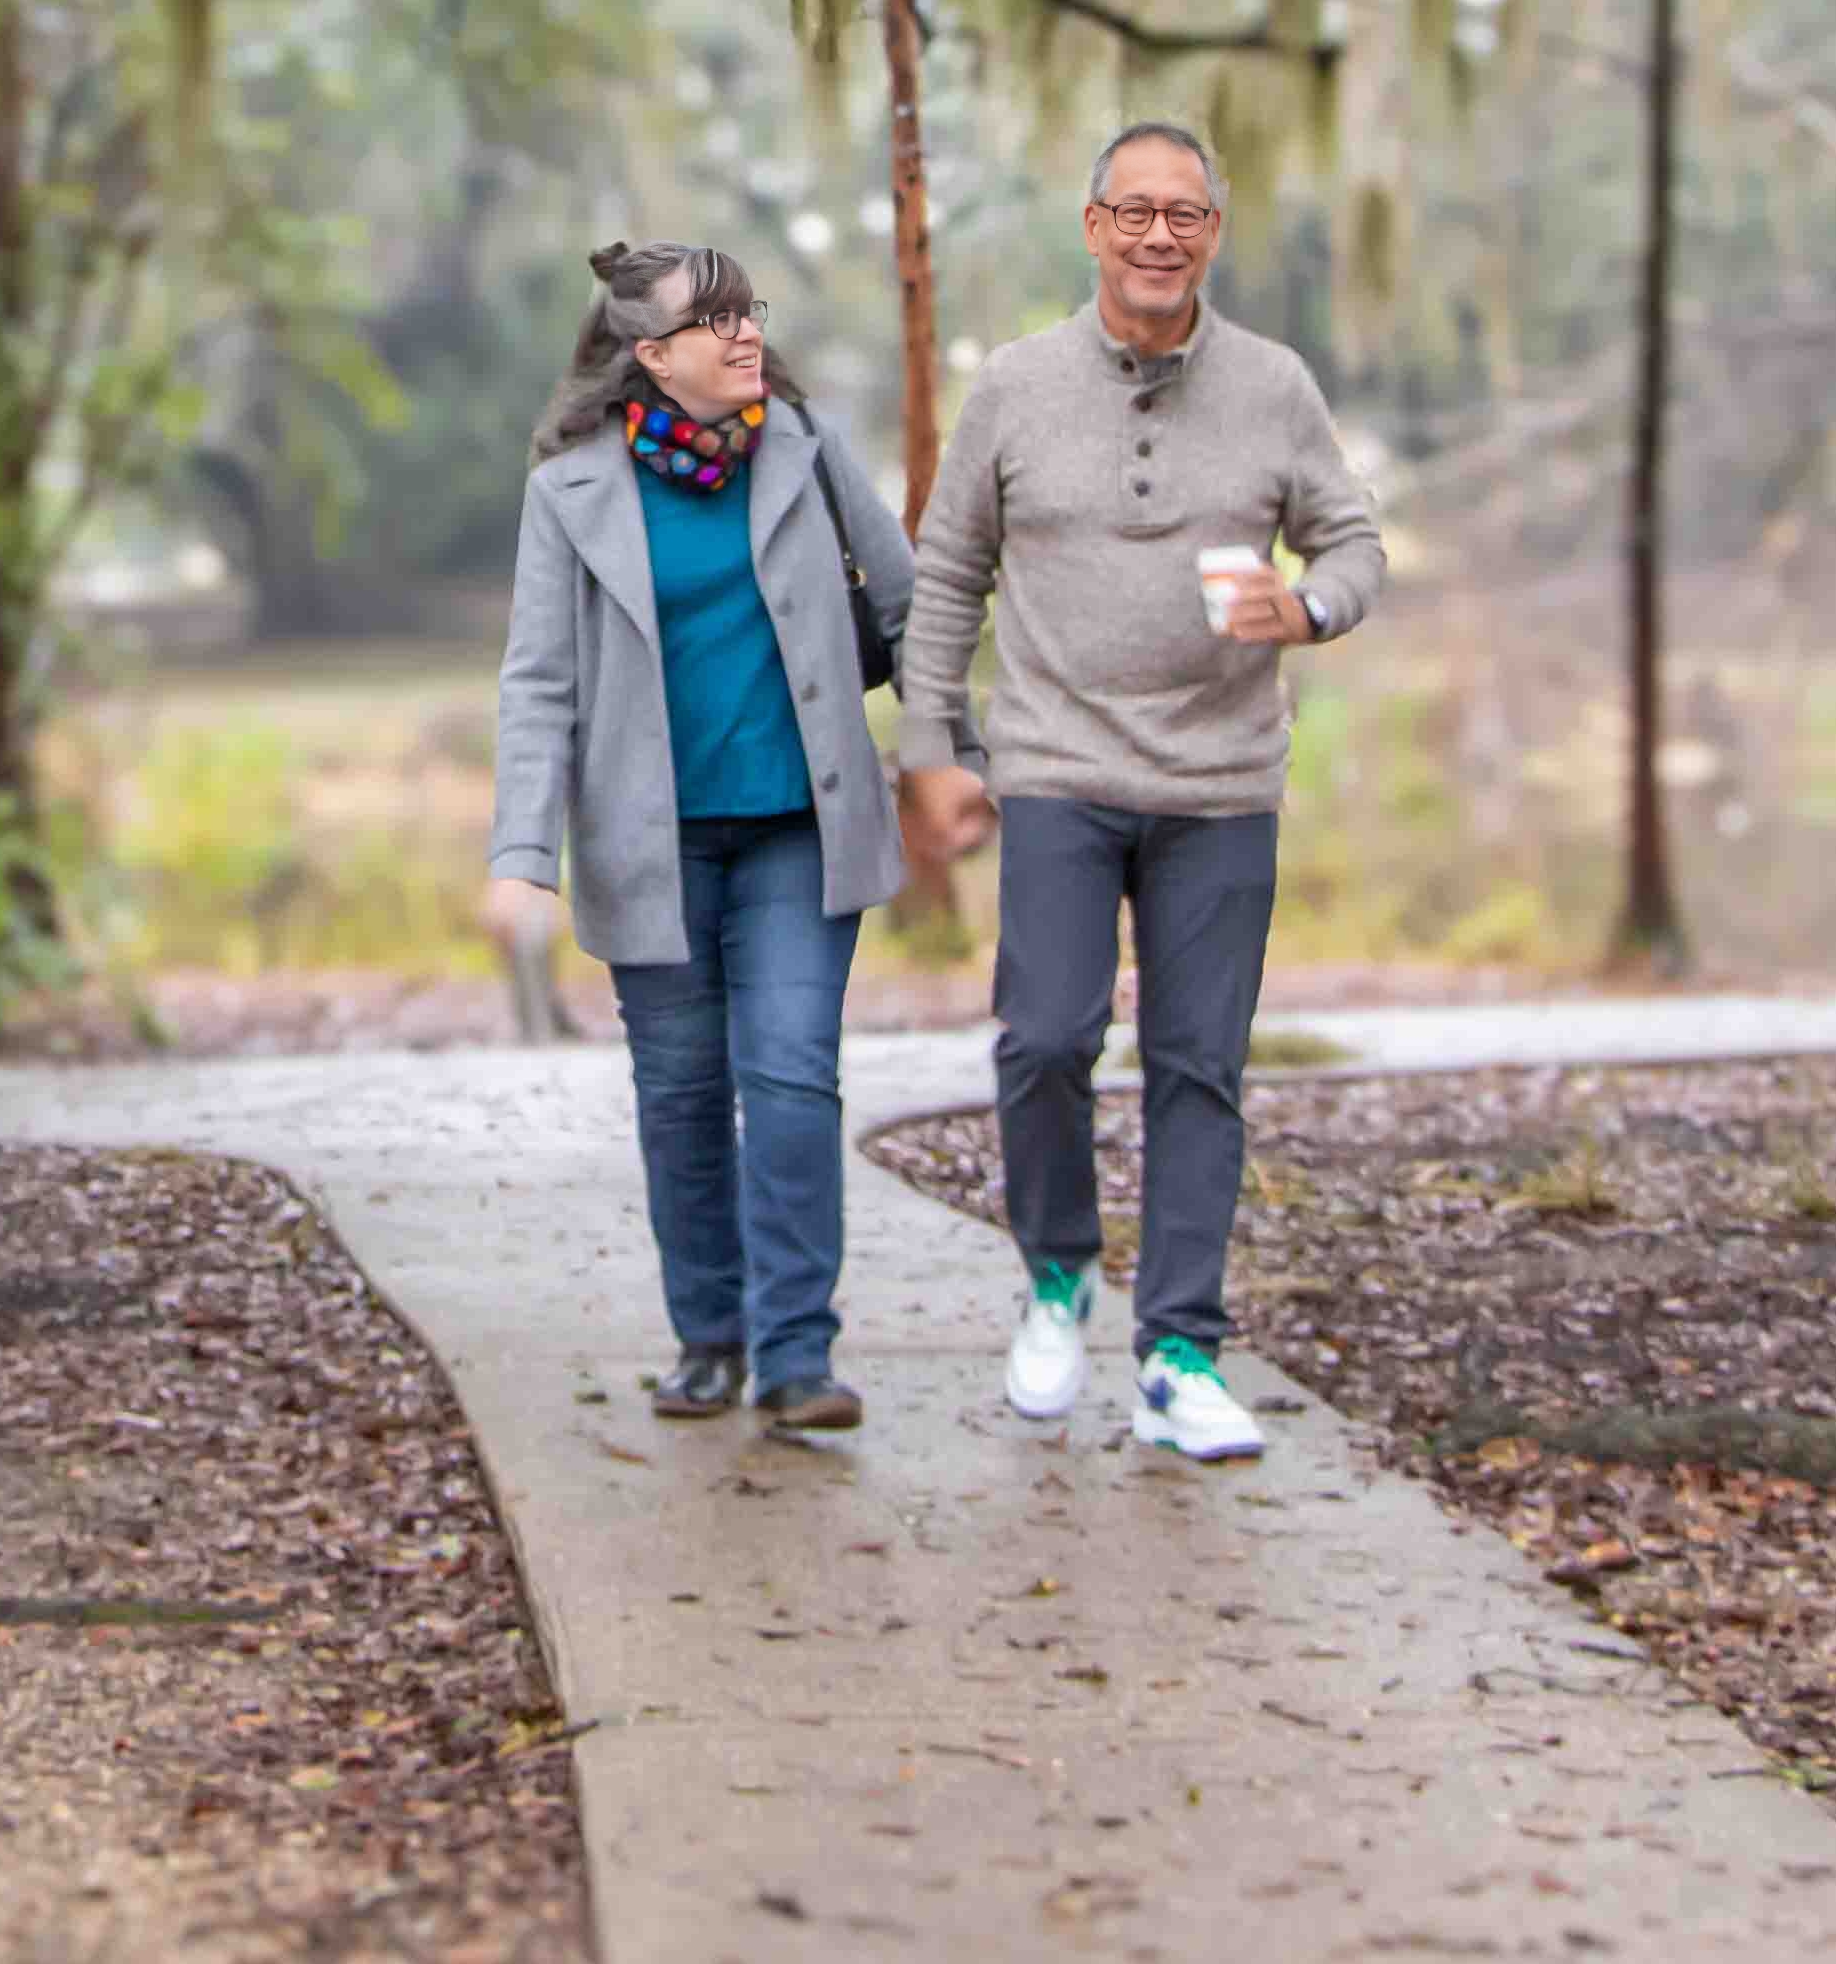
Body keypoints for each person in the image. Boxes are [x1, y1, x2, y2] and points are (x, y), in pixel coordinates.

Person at [892, 123, 1382, 1460]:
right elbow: (946, 575)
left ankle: (1177, 1351)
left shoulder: (1275, 386)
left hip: (1222, 782)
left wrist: (1315, 604)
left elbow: (1350, 535)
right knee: (1043, 1037)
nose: (1160, 235)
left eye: (1187, 213)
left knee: (1197, 1066)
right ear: (1093, 225)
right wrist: (934, 752)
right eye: (1135, 211)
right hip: (1054, 765)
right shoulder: (1014, 386)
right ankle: (1056, 1274)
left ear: (1214, 232)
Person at [484, 240, 917, 1437]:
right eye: (712, 321)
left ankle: (795, 1355)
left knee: (788, 1074)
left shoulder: (809, 445)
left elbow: (910, 606)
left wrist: (951, 758)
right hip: (647, 840)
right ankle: (709, 1336)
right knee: (681, 1093)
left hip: (799, 829)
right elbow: (537, 683)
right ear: (651, 355)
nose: (745, 337)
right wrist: (521, 853)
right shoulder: (568, 489)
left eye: (749, 314)